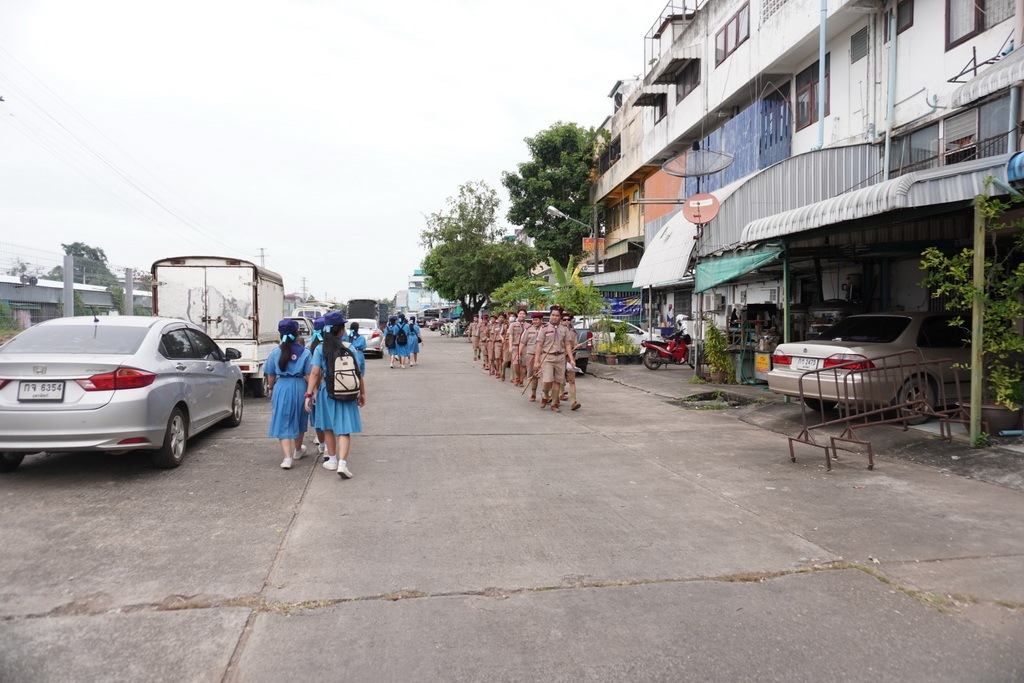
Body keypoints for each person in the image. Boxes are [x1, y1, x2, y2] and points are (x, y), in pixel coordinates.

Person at [305, 311, 365, 478]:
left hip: (327, 390)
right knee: (344, 431)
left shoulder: (320, 348)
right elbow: (358, 373)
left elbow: (315, 373)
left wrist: (308, 395)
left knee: (328, 427)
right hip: (347, 390)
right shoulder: (350, 347)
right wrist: (362, 393)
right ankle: (342, 464)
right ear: (341, 330)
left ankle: (332, 460)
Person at [266, 319, 312, 469]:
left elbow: (271, 374)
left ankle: (287, 458)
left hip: (282, 386)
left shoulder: (275, 352)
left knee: (283, 419)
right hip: (299, 386)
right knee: (299, 417)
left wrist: (270, 388)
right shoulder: (305, 352)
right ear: (296, 333)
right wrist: (311, 392)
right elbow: (309, 374)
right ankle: (298, 450)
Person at [534, 306, 576, 412]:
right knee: (547, 380)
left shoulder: (564, 329)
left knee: (558, 381)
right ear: (550, 316)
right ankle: (545, 395)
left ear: (560, 317)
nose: (554, 317)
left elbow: (567, 344)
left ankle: (554, 404)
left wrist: (571, 359)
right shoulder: (544, 328)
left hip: (560, 357)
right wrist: (536, 361)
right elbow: (539, 345)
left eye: (557, 315)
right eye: (553, 315)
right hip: (547, 357)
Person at [306, 316, 328, 456]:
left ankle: (319, 439)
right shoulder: (328, 345)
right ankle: (327, 445)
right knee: (327, 414)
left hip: (312, 384)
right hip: (326, 383)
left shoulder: (308, 346)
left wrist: (312, 391)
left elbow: (310, 372)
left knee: (316, 413)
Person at [518, 311, 544, 401]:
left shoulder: (545, 329)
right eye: (533, 320)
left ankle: (545, 395)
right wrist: (518, 354)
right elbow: (522, 342)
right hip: (530, 355)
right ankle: (533, 394)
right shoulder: (528, 329)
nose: (535, 321)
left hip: (542, 355)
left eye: (537, 320)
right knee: (532, 375)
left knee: (543, 375)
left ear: (541, 320)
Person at [560, 310, 581, 411]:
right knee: (558, 380)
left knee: (572, 381)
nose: (566, 321)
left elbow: (574, 344)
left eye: (568, 320)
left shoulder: (573, 332)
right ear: (560, 320)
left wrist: (576, 346)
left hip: (570, 359)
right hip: (559, 358)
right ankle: (557, 396)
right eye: (564, 319)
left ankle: (573, 401)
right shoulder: (557, 331)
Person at [506, 308, 526, 385]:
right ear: (518, 315)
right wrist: (510, 346)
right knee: (515, 363)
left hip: (525, 347)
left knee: (523, 364)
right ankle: (518, 376)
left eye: (523, 314)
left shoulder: (528, 325)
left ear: (525, 315)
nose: (522, 315)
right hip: (515, 346)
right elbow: (510, 336)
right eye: (520, 314)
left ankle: (521, 380)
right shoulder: (513, 324)